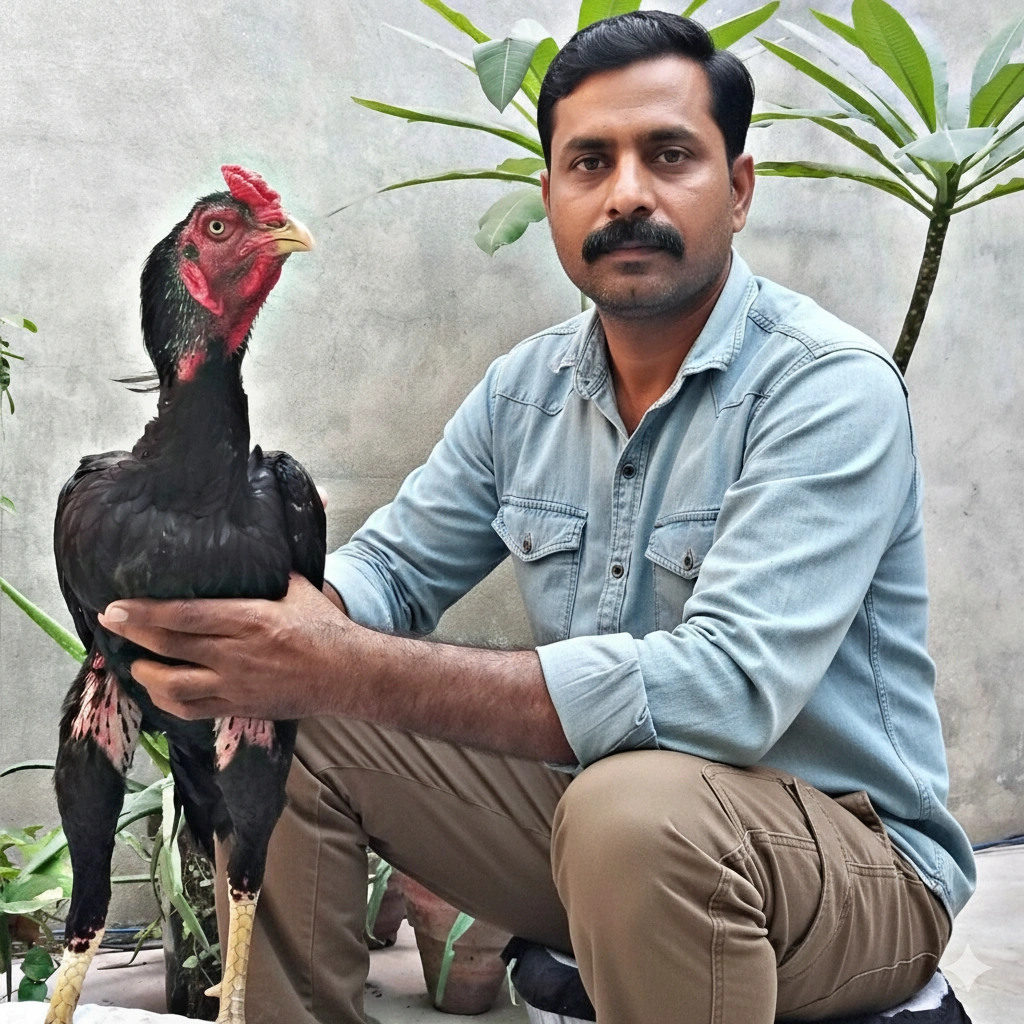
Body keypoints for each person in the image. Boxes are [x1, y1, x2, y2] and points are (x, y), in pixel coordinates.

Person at [98, 11, 976, 1024]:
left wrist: (333, 654)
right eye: (589, 162)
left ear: (736, 191)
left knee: (630, 811)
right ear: (551, 193)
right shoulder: (527, 389)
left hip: (852, 869)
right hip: (604, 836)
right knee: (296, 715)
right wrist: (260, 628)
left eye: (671, 155)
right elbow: (389, 572)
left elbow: (727, 692)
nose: (628, 193)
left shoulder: (826, 389)